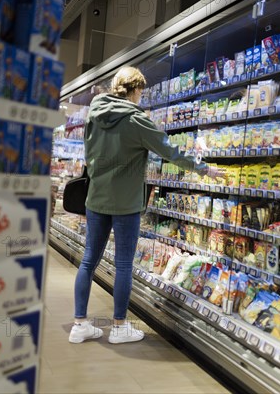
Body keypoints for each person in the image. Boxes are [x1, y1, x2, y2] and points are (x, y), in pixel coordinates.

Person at [69, 66, 223, 344]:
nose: (142, 97)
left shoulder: (94, 113)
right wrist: (203, 169)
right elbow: (169, 150)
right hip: (125, 201)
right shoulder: (135, 120)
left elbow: (89, 155)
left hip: (96, 197)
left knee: (89, 260)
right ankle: (119, 328)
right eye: (141, 92)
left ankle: (79, 324)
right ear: (136, 90)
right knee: (124, 264)